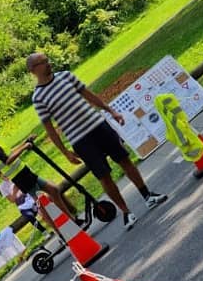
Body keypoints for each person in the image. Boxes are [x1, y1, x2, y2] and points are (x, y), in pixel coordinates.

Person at [26, 51, 167, 230]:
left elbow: (89, 95)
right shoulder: (38, 98)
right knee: (104, 176)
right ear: (33, 70)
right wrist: (65, 152)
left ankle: (148, 196)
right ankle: (126, 212)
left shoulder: (66, 76)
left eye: (46, 60)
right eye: (42, 62)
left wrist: (111, 111)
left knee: (124, 160)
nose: (48, 63)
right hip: (80, 140)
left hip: (99, 125)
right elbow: (50, 130)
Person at [0, 114, 79, 228]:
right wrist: (25, 147)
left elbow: (10, 152)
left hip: (25, 173)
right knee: (42, 204)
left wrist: (26, 142)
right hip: (20, 177)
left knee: (54, 190)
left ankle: (71, 219)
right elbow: (8, 160)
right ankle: (62, 231)